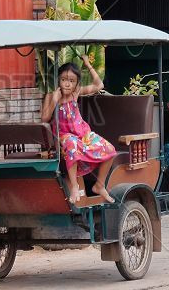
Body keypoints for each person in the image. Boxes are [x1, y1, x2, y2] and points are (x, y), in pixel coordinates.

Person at [41, 55, 116, 204]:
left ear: (76, 84)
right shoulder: (51, 95)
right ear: (58, 81)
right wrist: (55, 100)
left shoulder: (76, 93)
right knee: (71, 144)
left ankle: (99, 185)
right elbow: (44, 118)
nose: (67, 84)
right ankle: (74, 186)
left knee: (110, 149)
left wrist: (88, 64)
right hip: (64, 136)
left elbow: (99, 85)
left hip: (83, 134)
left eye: (71, 81)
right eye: (64, 80)